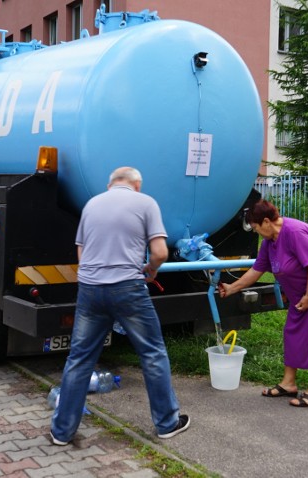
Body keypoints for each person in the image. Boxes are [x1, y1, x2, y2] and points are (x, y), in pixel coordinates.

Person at [50, 167, 189, 446]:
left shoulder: (91, 205)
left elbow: (81, 251)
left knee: (79, 358)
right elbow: (160, 252)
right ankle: (167, 423)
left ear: (110, 184)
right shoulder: (145, 202)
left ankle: (61, 432)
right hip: (127, 287)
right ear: (137, 184)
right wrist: (150, 269)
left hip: (90, 290)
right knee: (152, 353)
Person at [218, 199, 308, 407]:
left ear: (267, 221)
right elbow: (256, 270)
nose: (258, 233)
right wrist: (232, 288)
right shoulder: (270, 241)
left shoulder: (294, 232)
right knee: (291, 331)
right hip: (302, 293)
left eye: (257, 228)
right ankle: (289, 384)